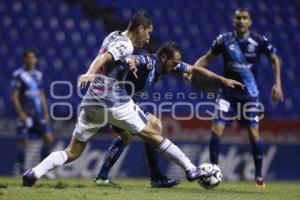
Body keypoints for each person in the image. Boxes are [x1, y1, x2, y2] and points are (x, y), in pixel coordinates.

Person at [22, 11, 210, 187]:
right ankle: (190, 168)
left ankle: (34, 173)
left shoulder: (113, 35)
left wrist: (128, 64)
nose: (148, 38)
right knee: (153, 132)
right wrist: (89, 73)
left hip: (92, 99)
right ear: (140, 28)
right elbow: (105, 57)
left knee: (72, 152)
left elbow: (116, 57)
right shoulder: (126, 44)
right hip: (113, 97)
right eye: (148, 33)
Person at [93, 42, 244, 187]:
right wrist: (131, 60)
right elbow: (135, 58)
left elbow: (194, 69)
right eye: (173, 63)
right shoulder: (148, 62)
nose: (174, 67)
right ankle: (157, 176)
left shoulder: (166, 65)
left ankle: (108, 176)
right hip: (117, 104)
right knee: (147, 130)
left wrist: (222, 79)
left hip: (127, 104)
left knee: (142, 130)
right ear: (163, 58)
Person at [192, 8, 283, 187]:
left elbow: (274, 58)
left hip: (249, 95)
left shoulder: (258, 41)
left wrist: (278, 83)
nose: (241, 21)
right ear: (233, 21)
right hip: (227, 94)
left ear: (250, 22)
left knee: (253, 133)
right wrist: (192, 69)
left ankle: (258, 177)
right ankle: (214, 170)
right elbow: (206, 58)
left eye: (244, 18)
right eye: (238, 18)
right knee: (216, 129)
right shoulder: (224, 40)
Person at [11, 49, 53, 174]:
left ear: (36, 59)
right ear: (24, 59)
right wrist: (20, 113)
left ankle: (43, 169)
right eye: (28, 58)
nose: (31, 60)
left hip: (38, 113)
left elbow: (41, 94)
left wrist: (46, 112)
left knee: (48, 138)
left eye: (33, 57)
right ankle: (20, 168)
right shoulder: (19, 74)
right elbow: (14, 95)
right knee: (23, 140)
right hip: (25, 112)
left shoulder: (38, 75)